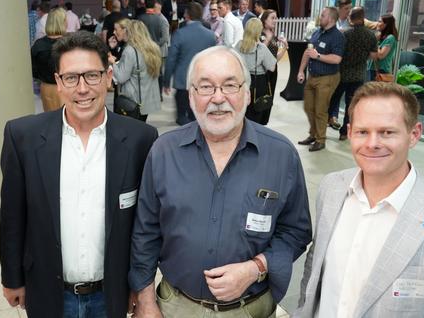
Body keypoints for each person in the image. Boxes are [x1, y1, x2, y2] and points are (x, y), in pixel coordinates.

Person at [130, 45, 312, 318]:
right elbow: (145, 233)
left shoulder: (281, 155)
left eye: (230, 86)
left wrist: (256, 267)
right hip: (176, 307)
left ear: (247, 94)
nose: (218, 98)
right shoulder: (164, 152)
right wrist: (145, 300)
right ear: (191, 96)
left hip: (250, 310)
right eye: (205, 87)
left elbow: (296, 232)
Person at [0, 31, 158, 318]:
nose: (82, 88)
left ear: (109, 77)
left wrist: (141, 284)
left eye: (92, 76)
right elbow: (13, 215)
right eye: (71, 78)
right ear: (58, 83)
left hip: (112, 293)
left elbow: (145, 224)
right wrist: (12, 278)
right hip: (48, 290)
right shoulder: (24, 136)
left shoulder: (140, 139)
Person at [296, 82, 424, 318]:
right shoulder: (332, 188)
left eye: (387, 132)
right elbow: (314, 271)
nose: (372, 143)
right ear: (349, 132)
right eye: (362, 132)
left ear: (414, 134)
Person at [296, 6, 345, 152]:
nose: (320, 17)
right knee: (308, 107)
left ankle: (320, 140)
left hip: (328, 78)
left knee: (320, 110)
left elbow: (336, 59)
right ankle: (313, 134)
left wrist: (318, 56)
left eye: (323, 15)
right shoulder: (318, 32)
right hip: (313, 76)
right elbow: (308, 52)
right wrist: (301, 71)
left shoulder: (337, 36)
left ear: (330, 18)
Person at [328, 7, 378, 141]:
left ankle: (324, 124)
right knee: (351, 105)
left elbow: (338, 52)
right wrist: (363, 55)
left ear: (351, 18)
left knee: (333, 99)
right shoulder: (370, 35)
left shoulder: (345, 34)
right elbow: (374, 56)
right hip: (359, 75)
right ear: (363, 18)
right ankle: (344, 132)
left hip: (342, 73)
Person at [164, 2, 216, 125]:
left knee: (182, 116)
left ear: (187, 15)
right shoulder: (210, 35)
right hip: (203, 80)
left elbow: (171, 59)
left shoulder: (179, 33)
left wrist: (166, 82)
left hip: (183, 81)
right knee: (198, 114)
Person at [109, 19, 162, 122]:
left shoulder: (130, 50)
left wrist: (113, 63)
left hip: (133, 100)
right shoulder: (153, 48)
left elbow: (121, 77)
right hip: (145, 102)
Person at [234, 18, 277, 125]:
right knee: (257, 112)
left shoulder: (238, 45)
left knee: (242, 112)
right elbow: (272, 67)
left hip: (241, 81)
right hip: (258, 83)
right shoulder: (261, 48)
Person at [31, 7, 67, 112]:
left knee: (50, 120)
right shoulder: (69, 44)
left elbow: (33, 69)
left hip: (45, 88)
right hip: (65, 88)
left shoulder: (38, 44)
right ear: (62, 22)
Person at [260, 9, 289, 124]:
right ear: (264, 20)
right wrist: (268, 39)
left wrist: (285, 47)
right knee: (261, 97)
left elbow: (275, 58)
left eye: (276, 18)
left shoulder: (275, 36)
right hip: (262, 71)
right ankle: (258, 121)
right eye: (272, 18)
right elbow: (260, 53)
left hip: (273, 71)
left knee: (270, 98)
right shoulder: (259, 35)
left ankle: (264, 122)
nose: (275, 20)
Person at [368, 13, 398, 81]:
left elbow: (381, 55)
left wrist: (375, 41)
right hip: (372, 68)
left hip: (381, 71)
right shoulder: (381, 37)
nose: (377, 23)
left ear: (386, 24)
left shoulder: (390, 38)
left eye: (380, 21)